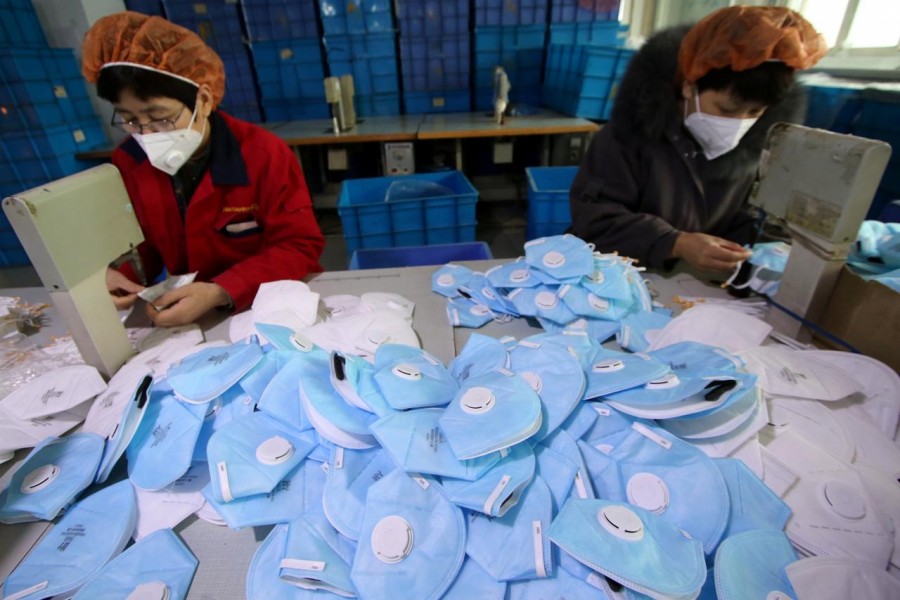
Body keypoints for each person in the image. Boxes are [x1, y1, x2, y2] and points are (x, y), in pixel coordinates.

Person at [81, 11, 325, 327]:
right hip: (187, 310)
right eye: (129, 119)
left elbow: (299, 246)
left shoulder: (263, 154)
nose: (147, 134)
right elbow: (142, 241)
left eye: (160, 117)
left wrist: (222, 290)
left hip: (267, 302)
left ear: (204, 101)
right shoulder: (130, 159)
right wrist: (122, 276)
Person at [569, 6, 827, 272]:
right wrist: (675, 243)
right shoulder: (624, 139)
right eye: (726, 109)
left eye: (754, 112)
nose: (738, 123)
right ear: (689, 85)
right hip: (617, 275)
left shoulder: (755, 149)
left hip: (699, 286)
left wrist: (762, 244)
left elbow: (748, 216)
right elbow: (594, 218)